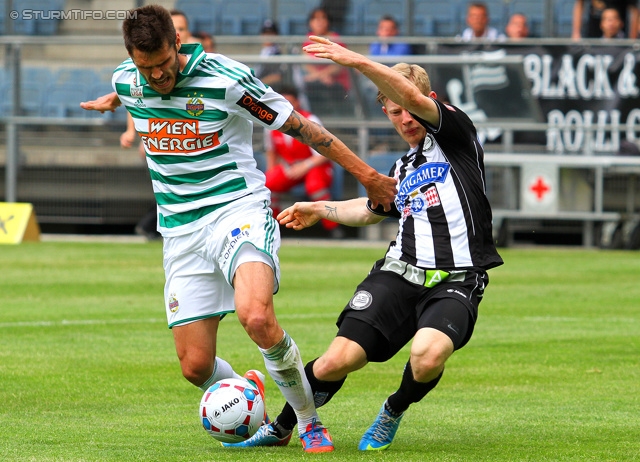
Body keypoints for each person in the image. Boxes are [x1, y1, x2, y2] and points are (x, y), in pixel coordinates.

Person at [79, 5, 396, 454]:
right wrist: (114, 98)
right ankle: (253, 401)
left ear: (178, 44)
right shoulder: (128, 78)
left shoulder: (227, 79)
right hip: (180, 232)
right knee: (194, 366)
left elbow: (303, 128)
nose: (156, 77)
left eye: (163, 65)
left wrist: (368, 176)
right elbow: (126, 88)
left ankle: (305, 420)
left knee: (257, 316)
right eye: (144, 68)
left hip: (236, 211)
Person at [223, 35, 504, 451]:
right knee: (338, 360)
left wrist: (353, 60)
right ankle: (282, 427)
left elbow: (407, 92)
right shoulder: (402, 166)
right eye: (394, 113)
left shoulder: (454, 133)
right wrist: (320, 208)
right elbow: (372, 210)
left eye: (409, 109)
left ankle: (393, 409)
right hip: (398, 274)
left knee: (426, 356)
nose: (404, 118)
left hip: (456, 280)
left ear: (428, 100)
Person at [263, 85, 339, 234]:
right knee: (268, 184)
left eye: (289, 102)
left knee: (315, 186)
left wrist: (305, 166)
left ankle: (332, 228)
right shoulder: (270, 123)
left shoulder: (309, 119)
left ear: (297, 102)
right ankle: (275, 226)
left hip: (314, 165)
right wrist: (272, 171)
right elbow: (271, 152)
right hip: (291, 167)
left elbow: (324, 153)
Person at [301, 8, 352, 116]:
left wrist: (321, 75)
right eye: (315, 18)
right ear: (310, 22)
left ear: (328, 21)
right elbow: (306, 63)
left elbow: (339, 65)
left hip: (336, 82)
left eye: (322, 18)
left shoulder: (335, 39)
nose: (319, 21)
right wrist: (320, 76)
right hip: (316, 81)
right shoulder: (308, 39)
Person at [572, 0, 638, 39]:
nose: (610, 22)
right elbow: (579, 4)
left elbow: (634, 10)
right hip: (594, 33)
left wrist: (633, 38)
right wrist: (576, 33)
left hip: (619, 37)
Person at [255, 19, 285, 86]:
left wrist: (257, 85)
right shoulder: (264, 51)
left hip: (270, 89)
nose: (268, 37)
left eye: (271, 34)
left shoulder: (277, 52)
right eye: (265, 33)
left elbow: (277, 76)